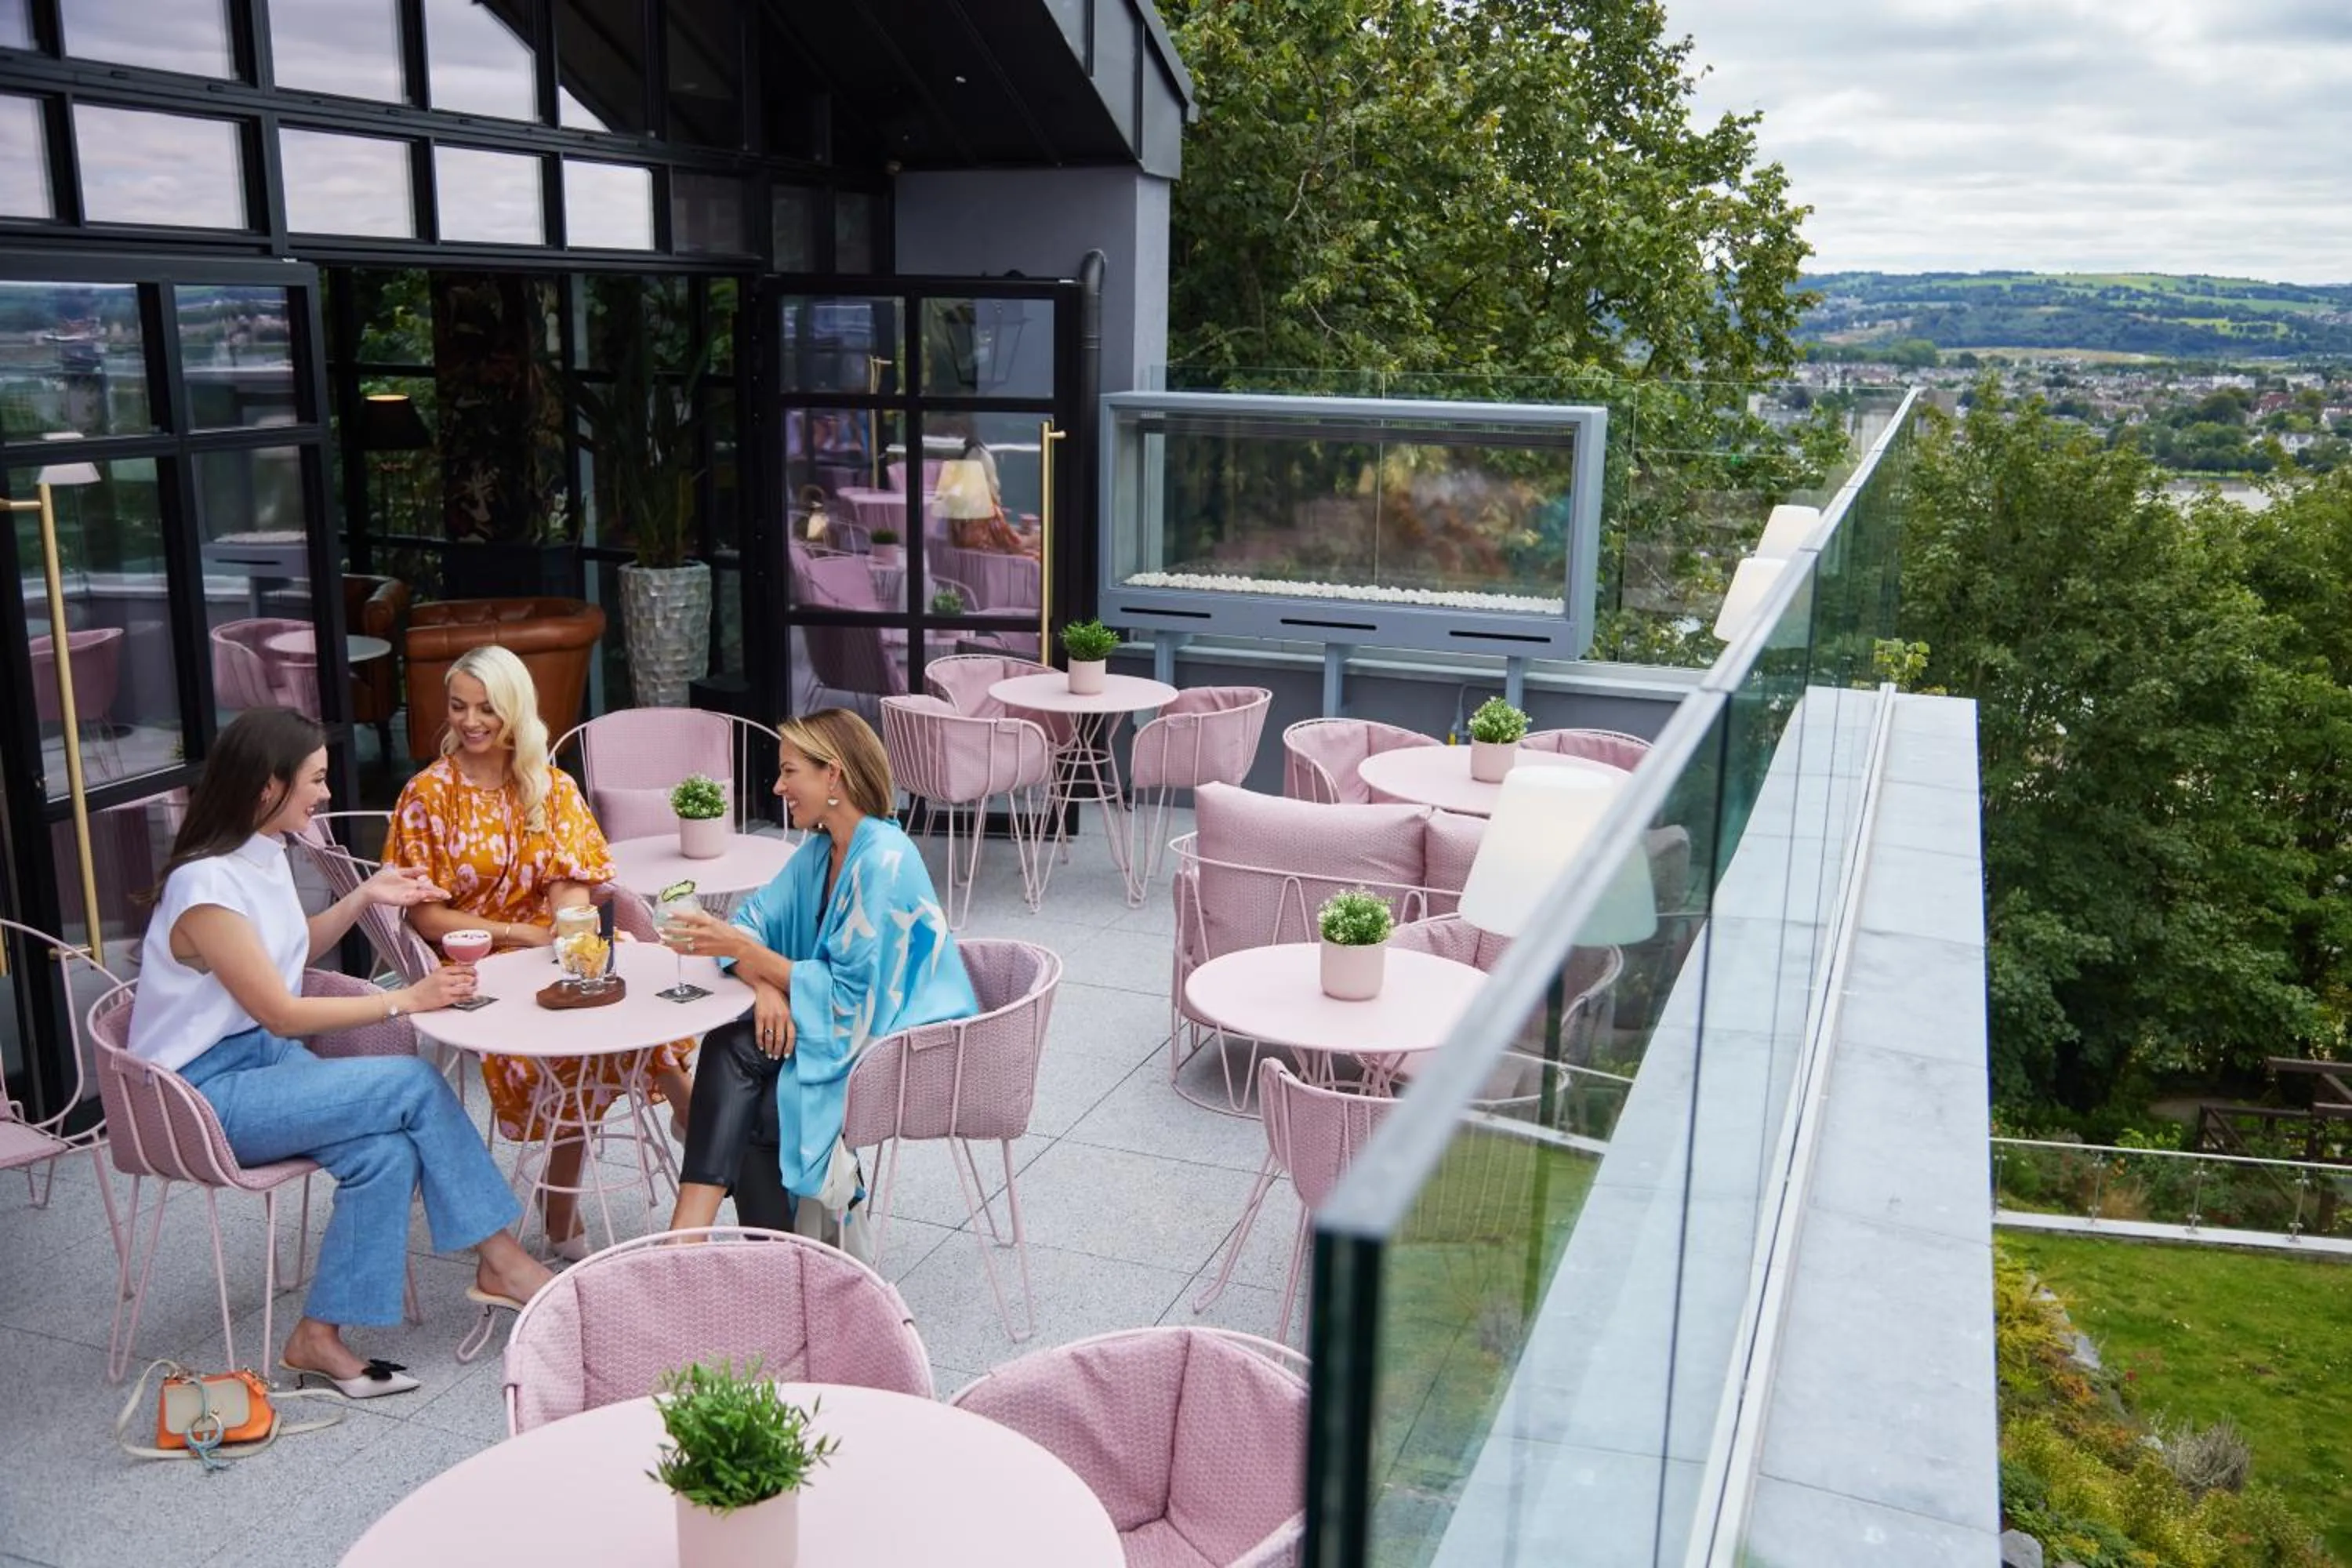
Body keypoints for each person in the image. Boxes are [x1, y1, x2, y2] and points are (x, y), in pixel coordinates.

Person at [126, 707, 551, 1399]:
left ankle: (317, 1337)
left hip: (261, 1061)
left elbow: (289, 956)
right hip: (200, 1095)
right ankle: (502, 1261)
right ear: (268, 787)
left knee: (387, 1153)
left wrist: (365, 894)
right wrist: (404, 1001)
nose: (324, 795)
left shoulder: (260, 858)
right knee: (413, 1085)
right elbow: (281, 1008)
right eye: (315, 781)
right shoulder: (204, 887)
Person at [386, 645, 695, 1261]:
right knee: (581, 1044)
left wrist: (572, 934)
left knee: (619, 1007)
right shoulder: (429, 794)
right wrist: (525, 936)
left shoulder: (550, 787)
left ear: (517, 711)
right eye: (459, 707)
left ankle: (584, 1208)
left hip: (554, 947)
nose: (471, 722)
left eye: (488, 710)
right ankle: (696, 1131)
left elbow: (571, 885)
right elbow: (424, 914)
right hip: (476, 964)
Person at [660, 709, 978, 1243]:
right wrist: (765, 987)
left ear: (833, 774)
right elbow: (748, 925)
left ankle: (694, 1240)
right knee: (753, 1088)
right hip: (832, 1028)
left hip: (902, 1047)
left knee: (741, 1067)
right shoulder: (821, 850)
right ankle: (766, 1262)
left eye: (790, 772)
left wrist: (750, 956)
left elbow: (852, 1002)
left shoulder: (883, 859)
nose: (778, 786)